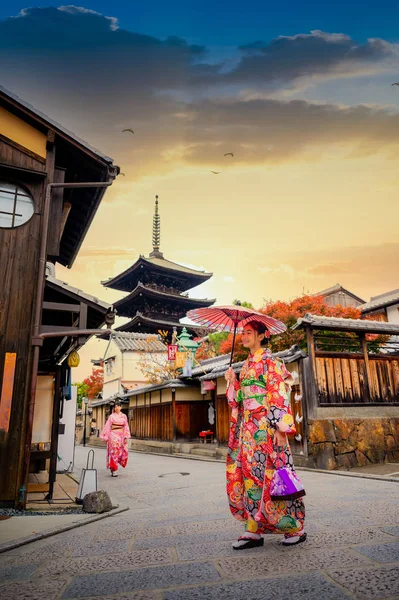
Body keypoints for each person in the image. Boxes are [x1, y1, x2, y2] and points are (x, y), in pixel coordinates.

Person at [225, 320, 306, 550]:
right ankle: (253, 529)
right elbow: (237, 400)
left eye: (248, 332)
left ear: (262, 335)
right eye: (242, 333)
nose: (243, 336)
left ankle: (295, 528)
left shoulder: (271, 362)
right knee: (250, 477)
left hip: (267, 426)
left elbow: (279, 392)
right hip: (249, 429)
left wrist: (281, 428)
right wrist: (233, 383)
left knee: (275, 475)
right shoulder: (246, 364)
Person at [100, 401, 130, 477]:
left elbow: (126, 426)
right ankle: (114, 469)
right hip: (113, 435)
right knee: (114, 451)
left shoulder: (124, 416)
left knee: (121, 451)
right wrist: (105, 436)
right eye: (115, 407)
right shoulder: (111, 416)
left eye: (118, 406)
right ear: (114, 408)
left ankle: (113, 466)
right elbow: (107, 426)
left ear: (121, 407)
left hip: (121, 435)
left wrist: (126, 436)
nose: (117, 408)